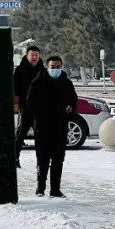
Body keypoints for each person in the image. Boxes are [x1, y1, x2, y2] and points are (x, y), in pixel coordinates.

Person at [26, 56, 77, 198]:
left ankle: (55, 189)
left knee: (58, 159)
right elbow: (30, 101)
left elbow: (73, 99)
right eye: (52, 66)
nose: (55, 69)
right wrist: (39, 115)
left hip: (60, 126)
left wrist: (70, 107)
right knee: (42, 159)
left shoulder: (66, 83)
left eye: (58, 66)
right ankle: (40, 187)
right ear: (47, 67)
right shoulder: (38, 82)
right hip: (43, 126)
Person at [13, 46, 45, 168]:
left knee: (40, 136)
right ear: (27, 56)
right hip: (26, 108)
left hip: (40, 109)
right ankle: (15, 158)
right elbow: (15, 89)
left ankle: (41, 161)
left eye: (36, 54)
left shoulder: (43, 71)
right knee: (21, 134)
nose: (34, 57)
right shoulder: (20, 70)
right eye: (32, 54)